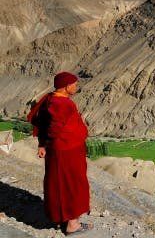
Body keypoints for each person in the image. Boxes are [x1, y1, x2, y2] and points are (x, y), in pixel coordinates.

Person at [28, 71, 92, 235]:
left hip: (61, 150)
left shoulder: (51, 99)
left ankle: (62, 217)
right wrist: (46, 144)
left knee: (59, 183)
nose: (76, 87)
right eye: (74, 84)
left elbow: (44, 124)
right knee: (73, 184)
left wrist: (42, 145)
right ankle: (72, 224)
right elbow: (54, 129)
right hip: (67, 152)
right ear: (66, 86)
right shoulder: (63, 104)